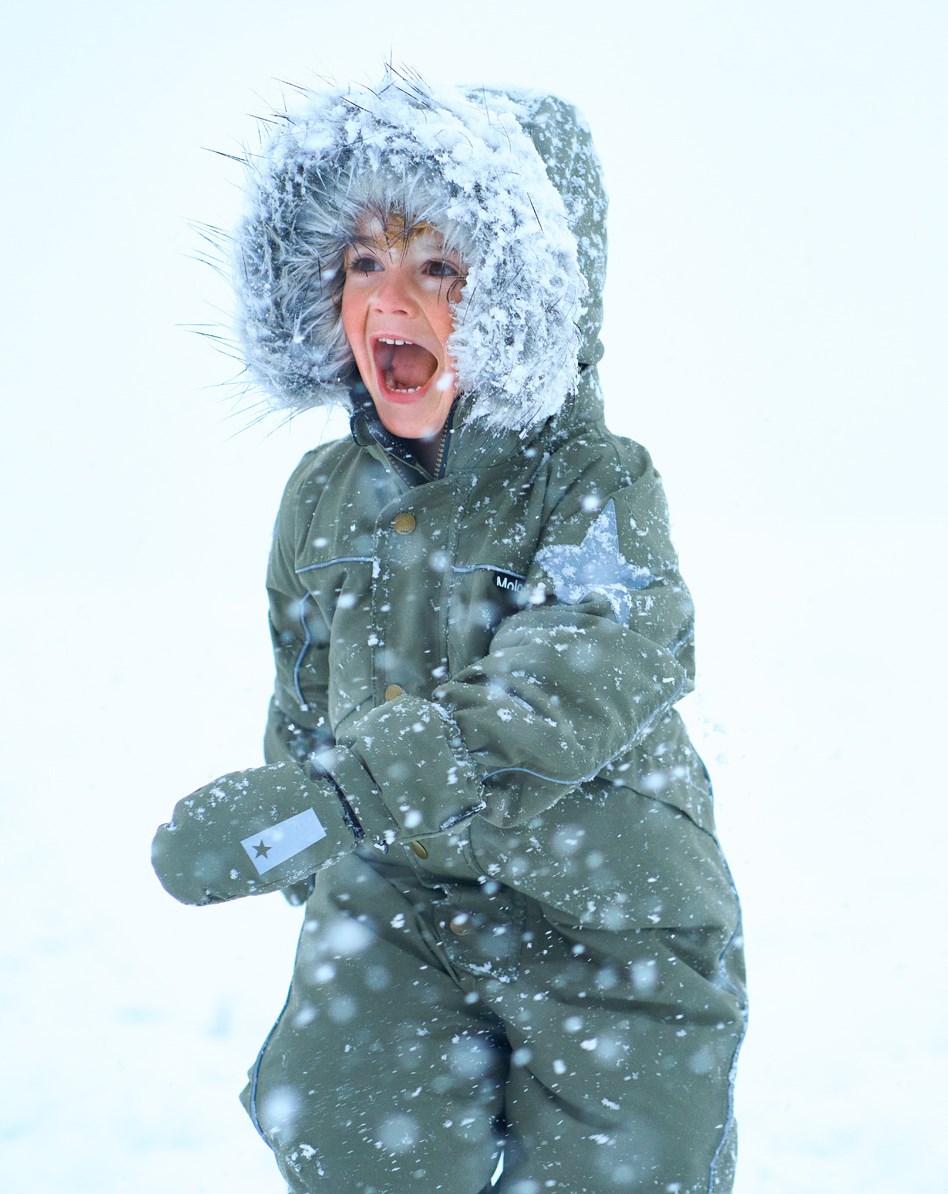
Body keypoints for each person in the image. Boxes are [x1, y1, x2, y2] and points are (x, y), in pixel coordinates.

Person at [152, 73, 747, 1194]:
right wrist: (314, 844)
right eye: (362, 263)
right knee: (343, 1125)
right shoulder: (321, 497)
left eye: (439, 266)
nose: (392, 298)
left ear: (525, 297)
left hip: (611, 919)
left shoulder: (594, 482)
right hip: (399, 906)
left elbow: (579, 666)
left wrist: (341, 797)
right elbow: (304, 694)